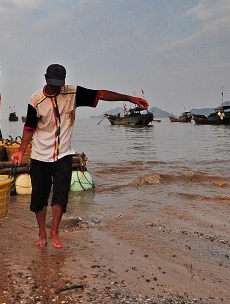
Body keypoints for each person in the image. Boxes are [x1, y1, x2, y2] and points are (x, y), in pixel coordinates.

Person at [11, 63, 149, 249]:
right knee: (39, 198)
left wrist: (128, 98)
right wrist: (20, 151)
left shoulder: (72, 93)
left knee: (61, 195)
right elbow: (29, 128)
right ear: (45, 79)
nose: (56, 88)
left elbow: (100, 94)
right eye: (52, 84)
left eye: (59, 84)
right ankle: (42, 234)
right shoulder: (35, 100)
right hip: (40, 156)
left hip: (64, 155)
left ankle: (54, 233)